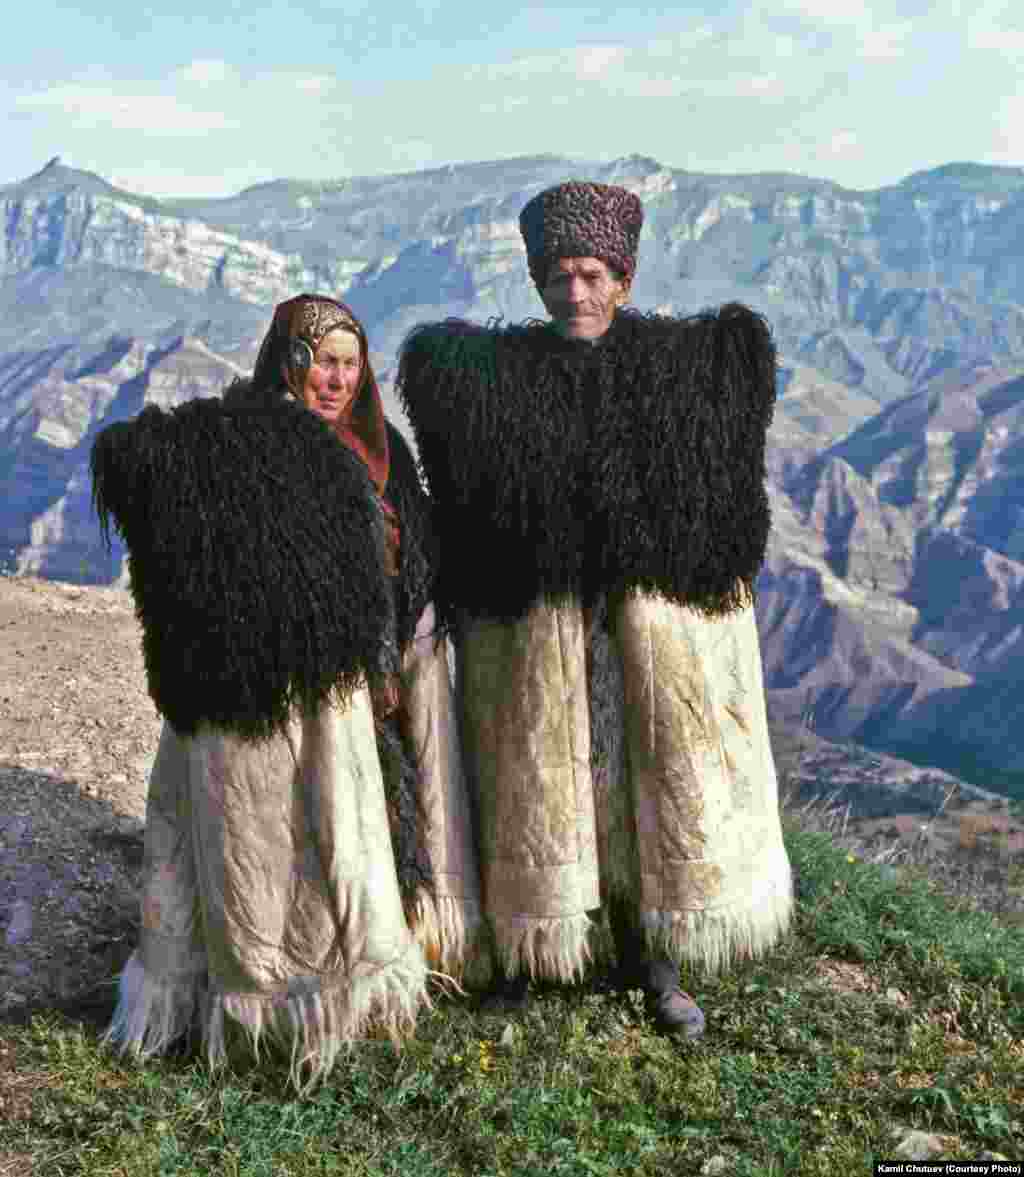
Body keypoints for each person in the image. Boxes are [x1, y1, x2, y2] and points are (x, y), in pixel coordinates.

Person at [396, 181, 793, 1036]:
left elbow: (715, 500)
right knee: (535, 778)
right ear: (537, 283)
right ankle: (532, 944)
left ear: (623, 277)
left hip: (635, 632)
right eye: (557, 278)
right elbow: (474, 507)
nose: (573, 294)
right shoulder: (500, 386)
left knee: (646, 779)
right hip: (543, 631)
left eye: (589, 275)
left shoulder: (675, 377)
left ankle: (659, 957)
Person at [91, 294, 481, 1089]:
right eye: (321, 363)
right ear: (290, 364)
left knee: (379, 830)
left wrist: (403, 648)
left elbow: (417, 549)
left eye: (348, 363)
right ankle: (287, 997)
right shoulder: (243, 446)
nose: (335, 380)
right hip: (292, 682)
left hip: (383, 664)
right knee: (295, 841)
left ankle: (382, 976)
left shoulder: (383, 453)